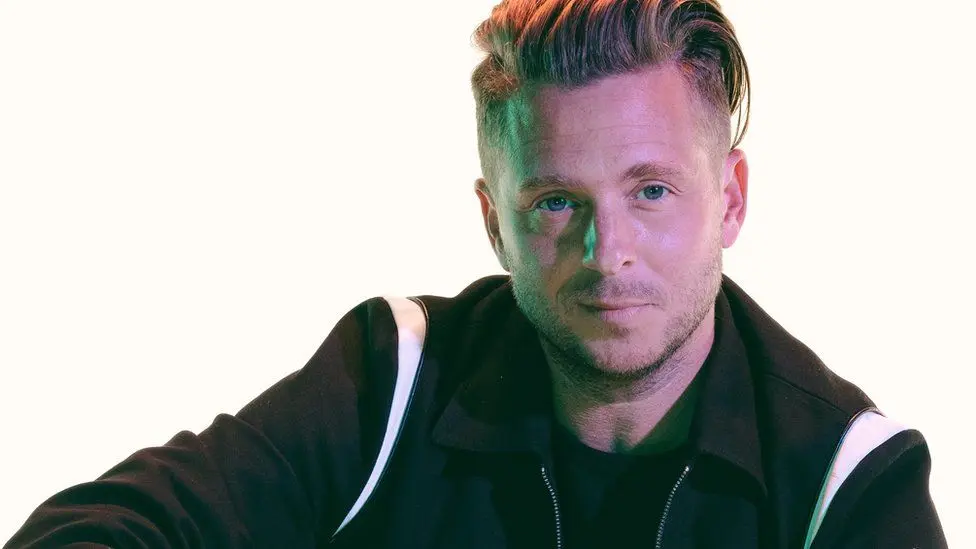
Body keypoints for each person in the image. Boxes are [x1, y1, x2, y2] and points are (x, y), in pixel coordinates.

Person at [4, 0, 947, 547]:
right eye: (556, 202)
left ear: (731, 199)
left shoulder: (849, 481)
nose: (606, 250)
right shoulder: (395, 379)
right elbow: (96, 530)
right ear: (494, 222)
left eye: (652, 190)